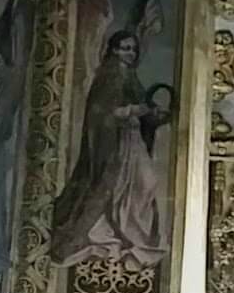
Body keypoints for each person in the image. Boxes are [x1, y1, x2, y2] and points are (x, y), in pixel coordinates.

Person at [47, 30, 172, 266]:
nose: (130, 53)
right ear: (114, 50)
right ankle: (109, 234)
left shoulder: (130, 77)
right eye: (125, 48)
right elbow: (103, 112)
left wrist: (153, 114)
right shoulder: (109, 76)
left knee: (146, 183)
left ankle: (134, 236)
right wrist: (134, 111)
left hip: (132, 140)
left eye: (133, 49)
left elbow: (141, 107)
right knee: (121, 186)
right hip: (116, 144)